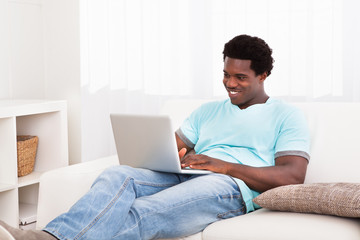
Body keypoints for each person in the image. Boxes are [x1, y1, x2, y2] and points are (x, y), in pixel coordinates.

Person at [0, 34, 310, 240]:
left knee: (145, 212)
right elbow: (172, 144)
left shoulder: (286, 115)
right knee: (117, 174)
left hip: (229, 187)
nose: (230, 83)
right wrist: (167, 153)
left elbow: (292, 175)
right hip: (186, 173)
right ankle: (46, 237)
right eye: (226, 74)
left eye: (240, 77)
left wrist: (226, 166)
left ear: (263, 75)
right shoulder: (208, 111)